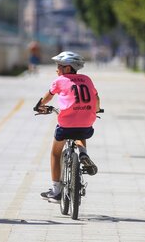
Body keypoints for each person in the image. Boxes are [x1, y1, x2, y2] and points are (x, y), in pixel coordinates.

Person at [34, 51, 101, 203]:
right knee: (80, 131)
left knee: (55, 153)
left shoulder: (60, 80)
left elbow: (49, 96)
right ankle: (83, 153)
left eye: (59, 66)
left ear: (68, 68)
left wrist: (40, 105)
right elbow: (96, 98)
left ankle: (56, 191)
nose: (57, 69)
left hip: (66, 123)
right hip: (87, 122)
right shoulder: (87, 79)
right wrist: (96, 110)